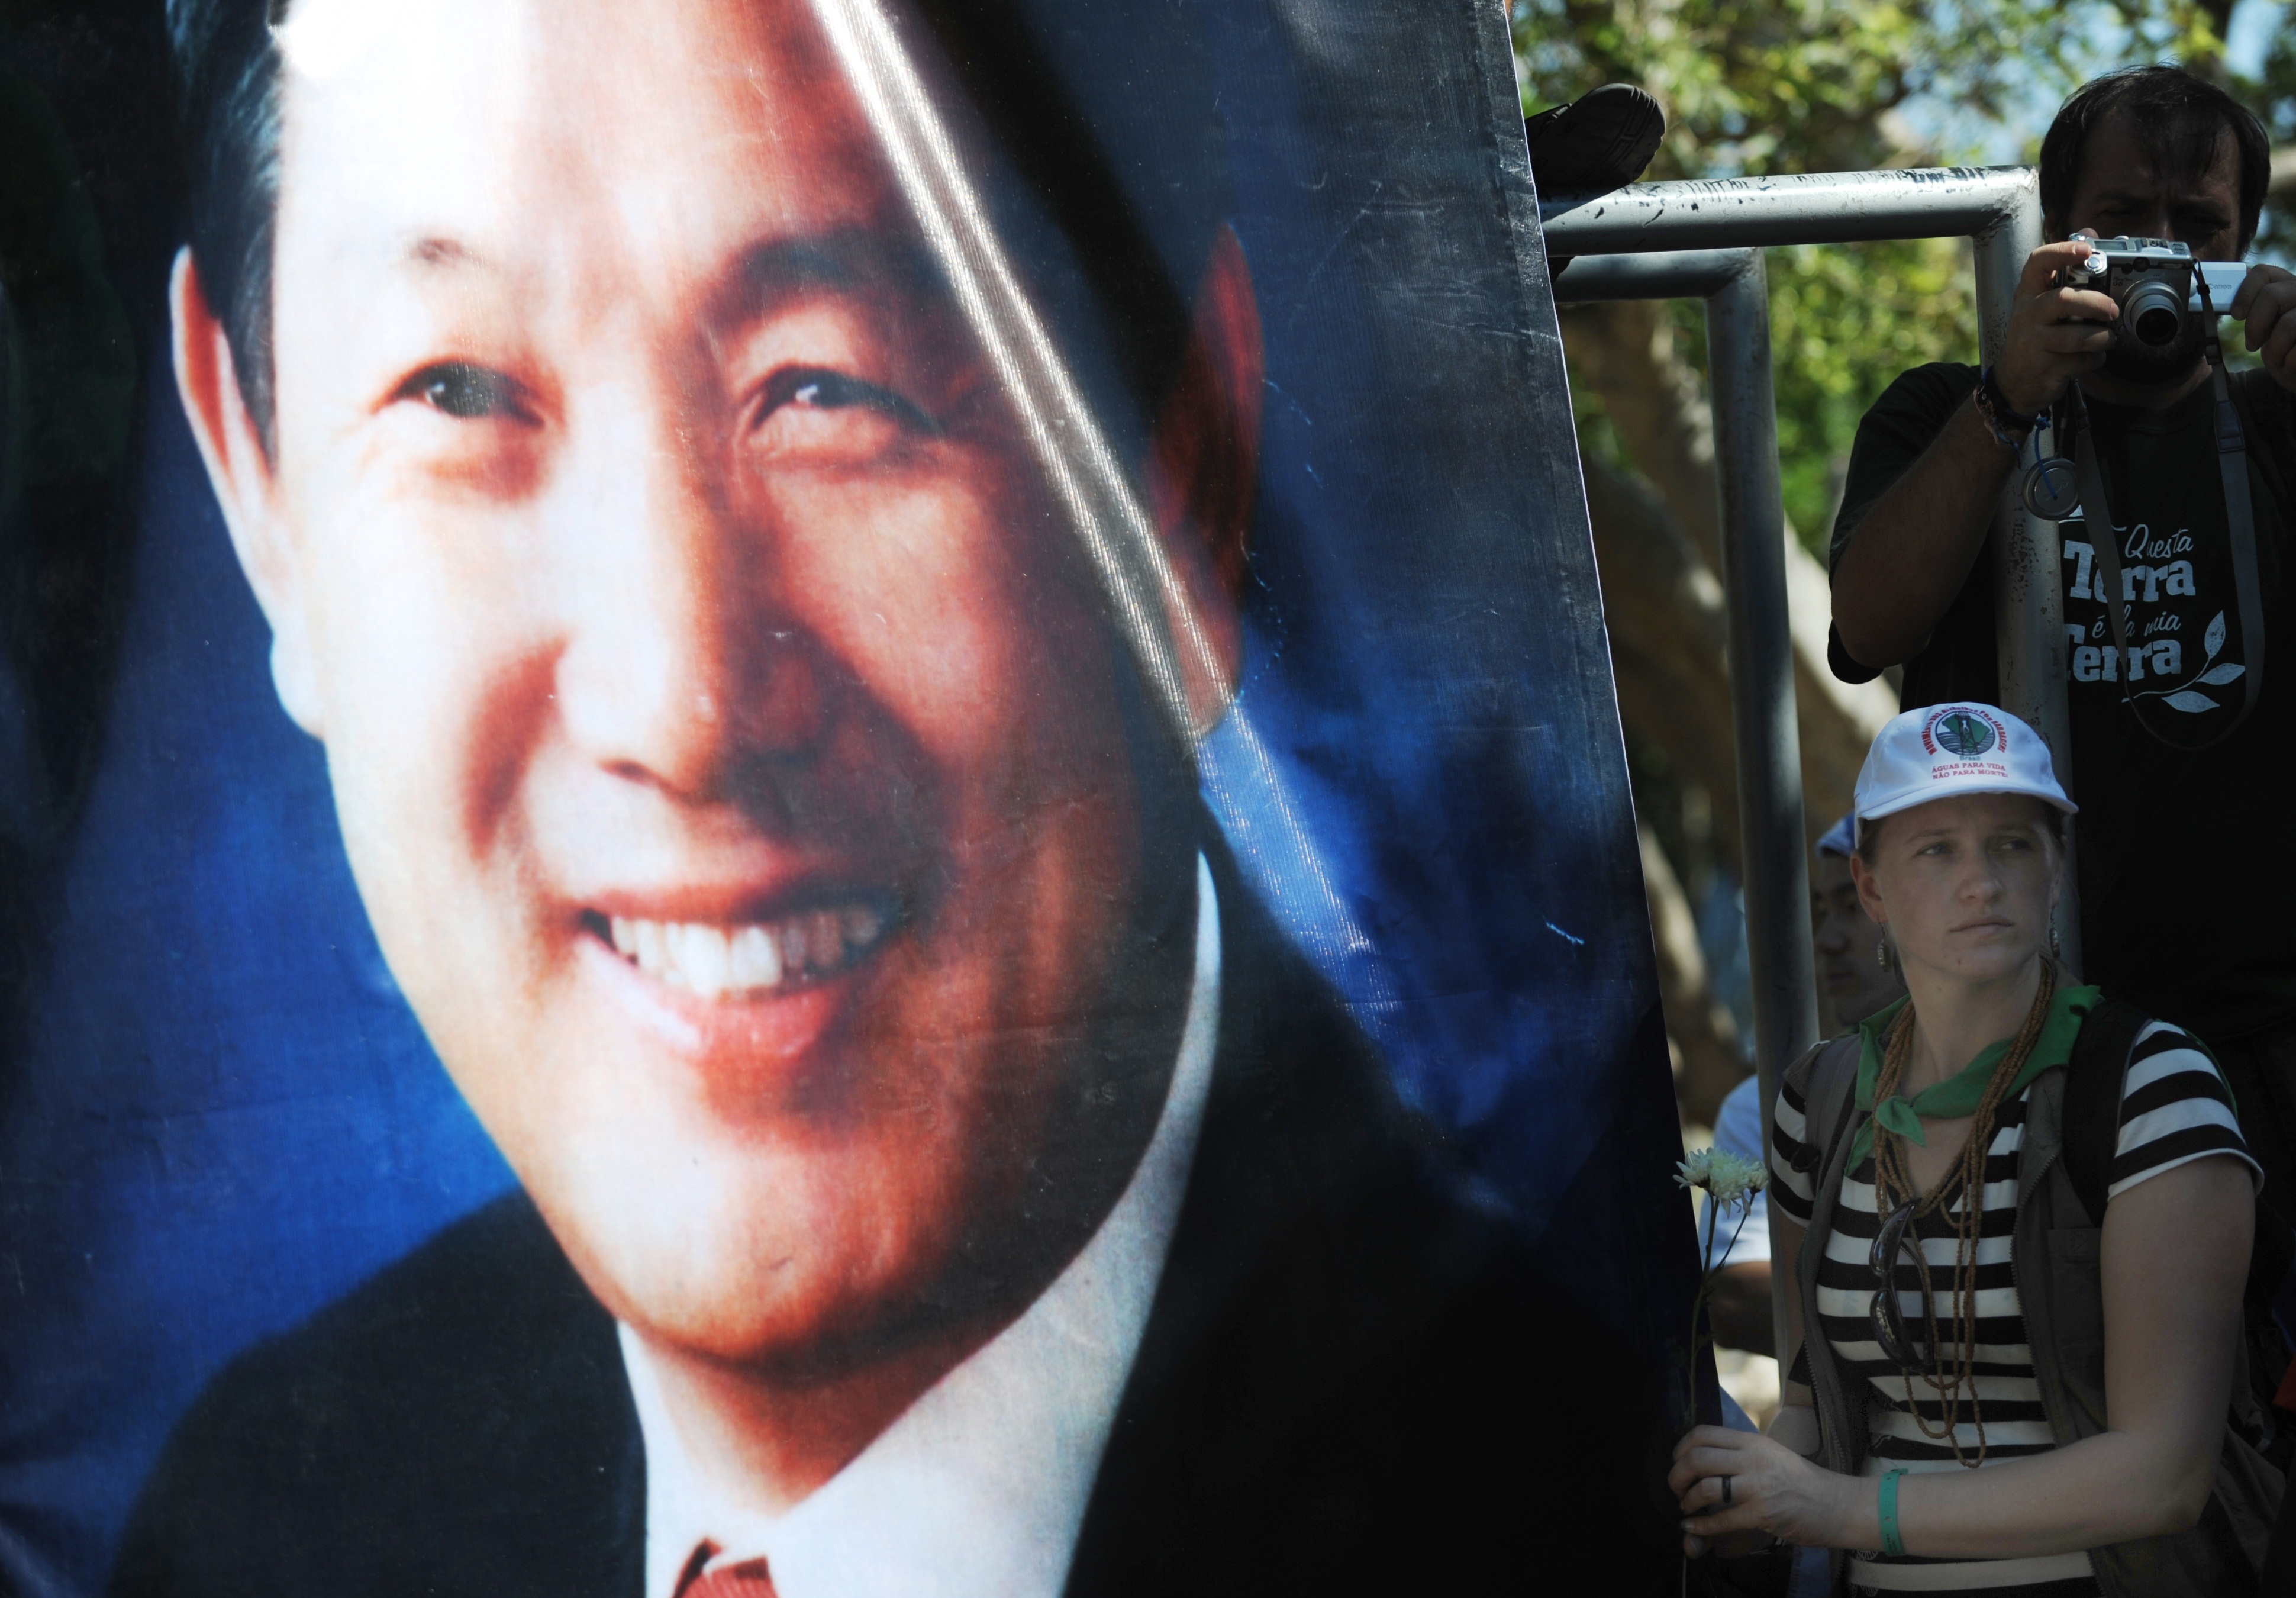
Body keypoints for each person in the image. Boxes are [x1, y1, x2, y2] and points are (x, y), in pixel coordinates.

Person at [105, 1, 1671, 1595]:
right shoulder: (266, 1508)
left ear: (1180, 475)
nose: (683, 703)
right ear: (260, 484)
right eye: (456, 392)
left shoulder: (1565, 1504)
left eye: (832, 389)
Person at [1825, 60, 2296, 1419]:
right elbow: (1864, 621)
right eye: (2122, 217)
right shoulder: (1947, 410)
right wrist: (2004, 401)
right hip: (2021, 1058)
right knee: (2056, 1429)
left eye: (2197, 226)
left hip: (2268, 1039)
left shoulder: (2270, 421)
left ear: (2244, 247)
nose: (2162, 255)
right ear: (2053, 236)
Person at [1671, 702, 2279, 1595]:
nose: (1982, 882)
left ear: (2058, 866)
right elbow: (1813, 1406)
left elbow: (2165, 1476)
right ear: (1872, 888)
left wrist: (1837, 1509)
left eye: (2013, 845)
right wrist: (1743, 1500)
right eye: (1936, 849)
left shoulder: (2147, 1084)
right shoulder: (1823, 1097)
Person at [1708, 816, 1908, 1358]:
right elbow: (1733, 1296)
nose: (1827, 941)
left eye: (1854, 906)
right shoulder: (1773, 1104)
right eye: (1821, 913)